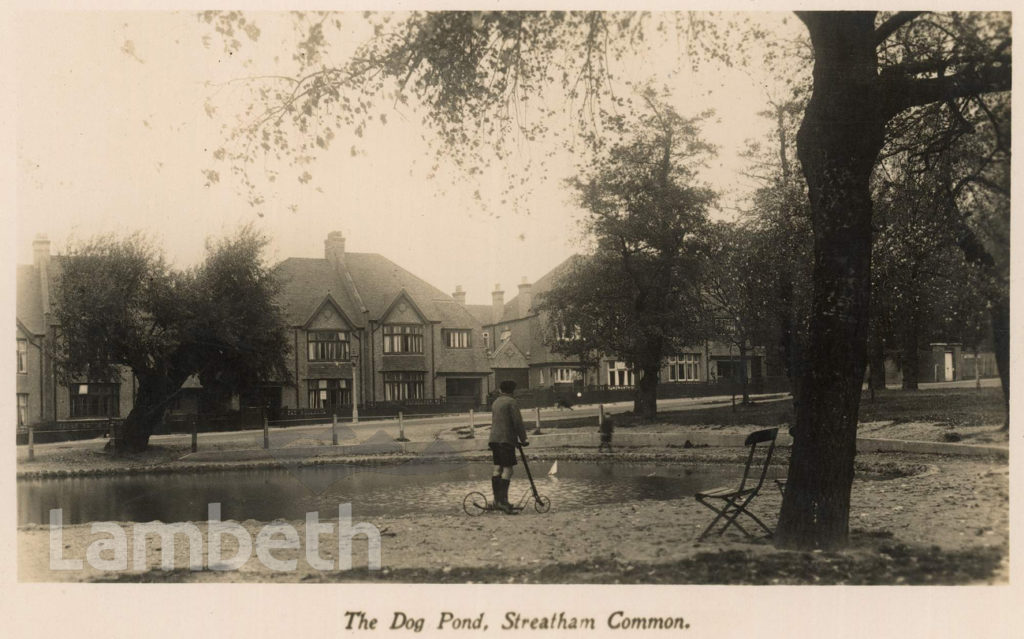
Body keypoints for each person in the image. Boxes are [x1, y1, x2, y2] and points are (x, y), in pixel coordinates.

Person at [489, 380, 528, 514]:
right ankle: (503, 502)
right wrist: (523, 439)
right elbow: (517, 423)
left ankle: (496, 501)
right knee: (508, 470)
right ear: (513, 391)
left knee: (497, 468)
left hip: (494, 440)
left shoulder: (495, 402)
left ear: (501, 390)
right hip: (506, 440)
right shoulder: (512, 402)